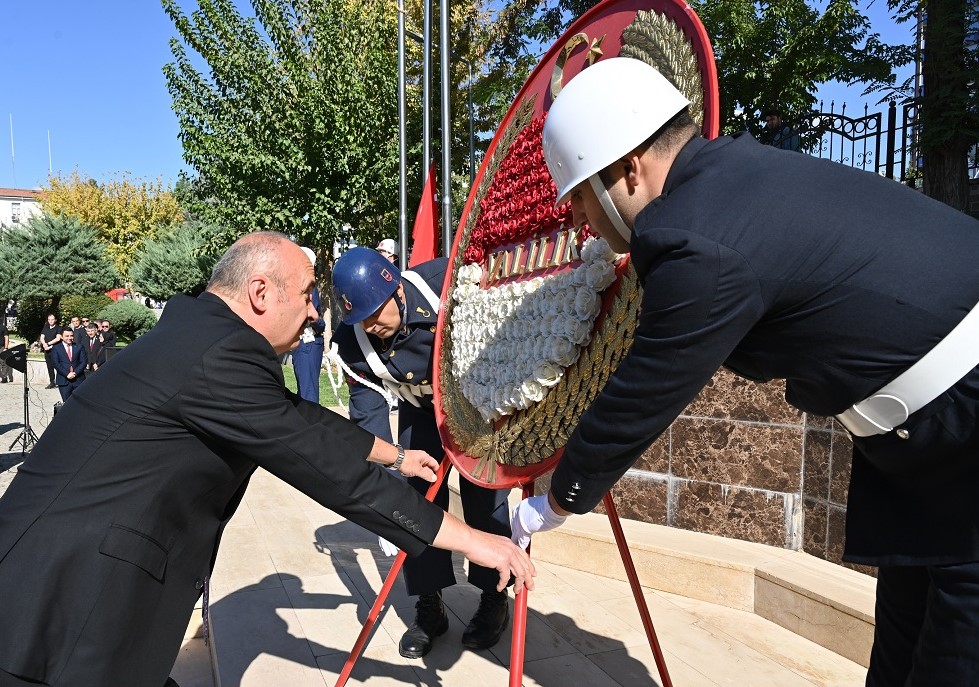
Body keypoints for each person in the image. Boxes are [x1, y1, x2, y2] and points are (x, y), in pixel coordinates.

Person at [512, 57, 979, 686]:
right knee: (900, 649)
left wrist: (561, 499)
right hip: (927, 440)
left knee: (955, 656)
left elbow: (644, 390)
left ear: (628, 170)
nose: (575, 222)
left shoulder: (697, 238)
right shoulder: (730, 182)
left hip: (963, 428)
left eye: (579, 197)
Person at [0, 232, 534, 687]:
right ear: (260, 292)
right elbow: (333, 474)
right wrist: (475, 541)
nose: (314, 311)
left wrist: (395, 455)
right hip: (57, 609)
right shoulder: (219, 355)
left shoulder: (204, 335)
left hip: (67, 589)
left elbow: (295, 416)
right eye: (305, 295)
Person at [332, 247, 513, 658]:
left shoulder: (445, 283)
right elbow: (370, 423)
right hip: (420, 411)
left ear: (394, 288)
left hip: (474, 405)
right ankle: (430, 605)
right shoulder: (351, 343)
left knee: (485, 498)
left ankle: (493, 598)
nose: (371, 325)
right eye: (359, 317)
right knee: (412, 499)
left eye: (375, 312)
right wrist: (385, 509)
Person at [291, 247, 326, 403]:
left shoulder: (308, 288)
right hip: (304, 344)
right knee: (304, 392)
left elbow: (312, 316)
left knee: (308, 395)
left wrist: (320, 323)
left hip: (308, 343)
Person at [50, 326, 87, 402]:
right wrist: (67, 374)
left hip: (78, 380)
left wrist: (75, 373)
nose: (69, 338)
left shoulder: (79, 347)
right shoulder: (56, 348)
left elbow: (83, 361)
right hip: (64, 381)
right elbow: (56, 363)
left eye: (71, 336)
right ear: (62, 337)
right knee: (66, 403)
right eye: (67, 336)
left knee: (80, 403)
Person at [38, 313, 61, 389]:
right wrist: (44, 344)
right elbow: (42, 337)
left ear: (55, 320)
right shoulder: (46, 327)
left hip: (55, 349)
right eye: (49, 320)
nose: (50, 321)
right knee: (49, 366)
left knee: (58, 366)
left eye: (52, 319)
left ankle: (59, 382)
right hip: (47, 350)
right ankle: (52, 382)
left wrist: (48, 344)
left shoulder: (58, 328)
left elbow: (58, 338)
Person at [0, 317, 12, 383]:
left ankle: (4, 378)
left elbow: (6, 338)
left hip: (2, 347)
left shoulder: (3, 327)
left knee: (3, 362)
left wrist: (6, 348)